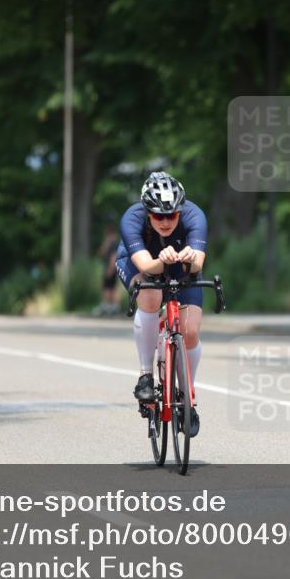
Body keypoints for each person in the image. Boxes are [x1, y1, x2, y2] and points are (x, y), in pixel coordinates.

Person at [115, 171, 207, 437]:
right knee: (151, 294)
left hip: (181, 267)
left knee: (190, 332)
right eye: (158, 216)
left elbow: (198, 262)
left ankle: (187, 396)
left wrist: (190, 259)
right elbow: (146, 266)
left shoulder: (195, 215)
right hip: (140, 262)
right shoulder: (131, 219)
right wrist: (162, 261)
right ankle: (146, 375)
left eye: (172, 215)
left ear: (181, 211)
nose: (166, 222)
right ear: (147, 212)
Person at [96, 223, 121, 316]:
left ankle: (112, 307)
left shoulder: (114, 244)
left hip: (112, 268)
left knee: (111, 288)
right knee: (108, 287)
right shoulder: (108, 244)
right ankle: (109, 306)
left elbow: (114, 257)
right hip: (108, 268)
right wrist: (105, 243)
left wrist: (110, 269)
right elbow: (101, 253)